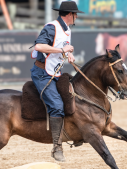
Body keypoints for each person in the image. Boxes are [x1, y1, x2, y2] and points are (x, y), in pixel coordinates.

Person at [30, 1, 84, 162]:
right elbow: (39, 46)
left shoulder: (67, 29)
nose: (76, 17)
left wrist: (68, 55)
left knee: (73, 99)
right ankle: (57, 147)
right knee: (57, 106)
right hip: (42, 73)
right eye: (75, 14)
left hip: (55, 73)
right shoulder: (51, 27)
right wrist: (62, 50)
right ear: (69, 14)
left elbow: (63, 47)